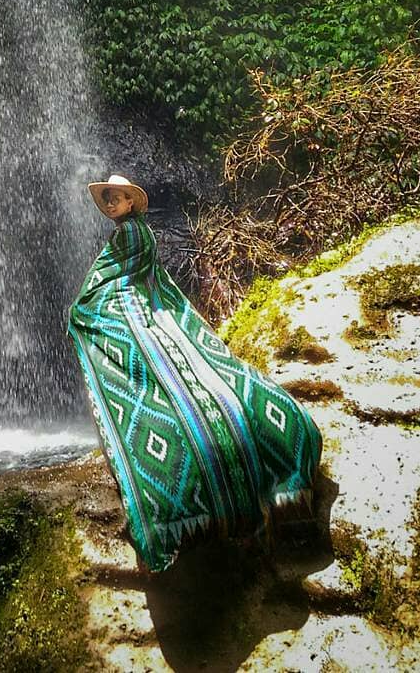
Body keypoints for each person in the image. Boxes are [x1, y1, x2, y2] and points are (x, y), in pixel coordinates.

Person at [67, 174, 322, 575]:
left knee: (111, 338)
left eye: (117, 198)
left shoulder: (127, 237)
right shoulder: (141, 233)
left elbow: (105, 282)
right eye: (108, 199)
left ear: (132, 203)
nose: (112, 203)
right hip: (142, 301)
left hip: (132, 304)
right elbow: (148, 279)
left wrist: (80, 310)